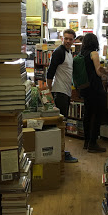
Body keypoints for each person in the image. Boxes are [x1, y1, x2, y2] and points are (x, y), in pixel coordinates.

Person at [46, 28, 78, 163]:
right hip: (58, 92)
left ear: (74, 40)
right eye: (66, 38)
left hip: (65, 92)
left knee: (62, 123)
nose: (68, 41)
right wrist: (49, 93)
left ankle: (60, 152)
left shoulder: (69, 52)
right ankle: (60, 153)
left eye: (70, 39)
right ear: (62, 38)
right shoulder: (59, 52)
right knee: (60, 124)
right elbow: (50, 72)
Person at [79, 32, 108, 153]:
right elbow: (98, 71)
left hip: (85, 88)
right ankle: (93, 143)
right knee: (97, 115)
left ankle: (86, 141)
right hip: (95, 88)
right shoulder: (94, 53)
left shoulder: (82, 54)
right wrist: (107, 71)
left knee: (87, 114)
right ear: (95, 42)